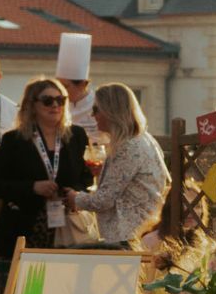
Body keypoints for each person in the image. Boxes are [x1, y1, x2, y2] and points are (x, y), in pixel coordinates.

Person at [0, 78, 91, 282]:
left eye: (61, 100)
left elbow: (86, 177)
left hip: (65, 228)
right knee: (24, 292)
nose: (55, 105)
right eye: (47, 100)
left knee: (60, 289)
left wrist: (72, 193)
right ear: (32, 105)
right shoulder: (14, 140)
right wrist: (32, 187)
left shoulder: (76, 136)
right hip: (24, 228)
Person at [65, 84, 169, 247]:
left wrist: (74, 198)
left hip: (126, 236)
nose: (92, 115)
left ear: (111, 111)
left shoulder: (127, 147)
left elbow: (104, 200)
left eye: (96, 109)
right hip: (139, 231)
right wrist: (103, 173)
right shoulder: (144, 139)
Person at [56, 31, 98, 141]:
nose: (60, 92)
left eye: (65, 87)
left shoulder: (99, 105)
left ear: (82, 85)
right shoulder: (54, 105)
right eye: (57, 86)